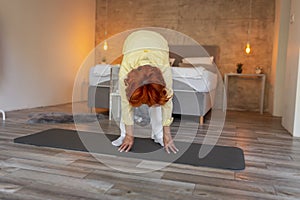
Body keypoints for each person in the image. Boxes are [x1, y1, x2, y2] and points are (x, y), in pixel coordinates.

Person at [111, 30, 178, 154]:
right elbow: (126, 105)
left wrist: (167, 134)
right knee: (126, 100)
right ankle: (124, 134)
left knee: (158, 100)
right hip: (133, 42)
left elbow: (167, 104)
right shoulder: (124, 75)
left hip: (159, 42)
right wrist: (129, 136)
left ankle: (159, 135)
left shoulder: (164, 71)